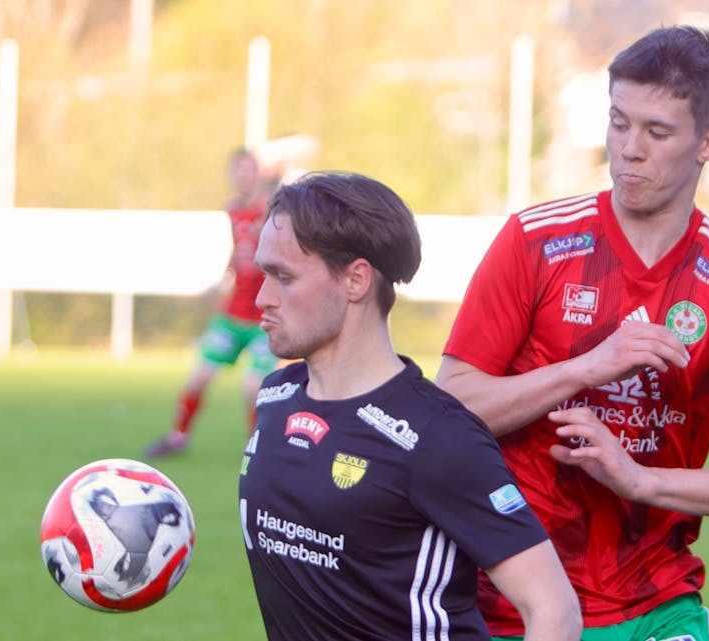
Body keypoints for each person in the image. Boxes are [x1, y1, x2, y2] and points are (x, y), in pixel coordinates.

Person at [435, 25, 709, 641]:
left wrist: (641, 480)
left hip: (655, 603)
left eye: (657, 132)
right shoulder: (536, 242)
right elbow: (449, 408)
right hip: (512, 602)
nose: (629, 148)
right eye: (618, 122)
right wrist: (585, 368)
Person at [238, 171, 581, 641]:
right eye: (263, 273)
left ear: (356, 279)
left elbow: (553, 609)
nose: (263, 298)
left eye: (284, 277)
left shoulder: (438, 437)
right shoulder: (276, 399)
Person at [145, 148, 278, 458]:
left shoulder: (271, 210)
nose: (244, 176)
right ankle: (178, 437)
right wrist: (222, 282)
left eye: (250, 170)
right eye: (239, 170)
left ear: (258, 174)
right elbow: (238, 251)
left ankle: (255, 450)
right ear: (232, 175)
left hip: (262, 317)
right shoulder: (232, 210)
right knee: (199, 376)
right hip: (232, 313)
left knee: (252, 386)